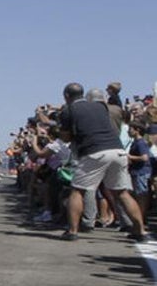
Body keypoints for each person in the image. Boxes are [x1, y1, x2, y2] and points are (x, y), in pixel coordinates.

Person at [54, 82, 149, 242]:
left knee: (77, 191)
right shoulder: (100, 107)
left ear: (66, 96)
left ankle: (72, 231)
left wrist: (63, 131)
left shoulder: (68, 110)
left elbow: (66, 137)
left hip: (94, 152)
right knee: (122, 193)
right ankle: (140, 231)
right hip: (117, 150)